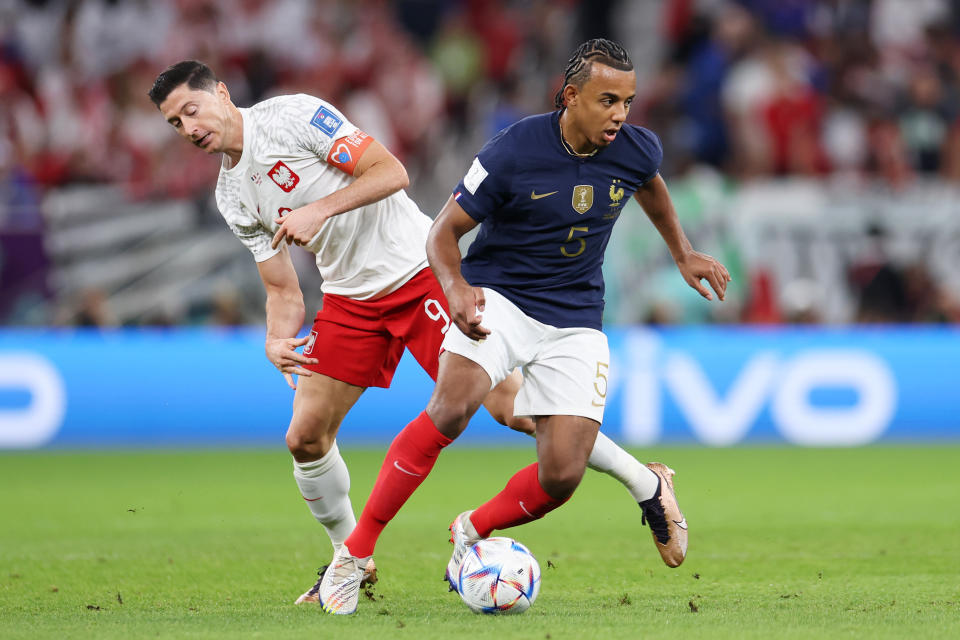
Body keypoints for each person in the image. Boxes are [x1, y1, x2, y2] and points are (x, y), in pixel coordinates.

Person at [148, 60, 671, 605]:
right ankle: (350, 560)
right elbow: (282, 291)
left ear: (223, 94)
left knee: (514, 410)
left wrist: (319, 210)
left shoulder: (292, 117)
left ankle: (646, 483)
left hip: (417, 274)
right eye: (175, 123)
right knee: (304, 436)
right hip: (350, 299)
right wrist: (275, 339)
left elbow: (390, 171)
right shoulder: (232, 195)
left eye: (191, 110)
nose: (189, 128)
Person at [316, 39, 731, 615]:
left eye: (628, 102)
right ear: (570, 96)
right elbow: (440, 233)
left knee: (561, 474)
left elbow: (650, 184)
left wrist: (683, 253)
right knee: (451, 409)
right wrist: (457, 289)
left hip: (576, 319)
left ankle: (473, 527)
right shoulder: (513, 150)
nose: (619, 114)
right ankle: (354, 555)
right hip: (501, 300)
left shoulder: (637, 148)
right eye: (607, 100)